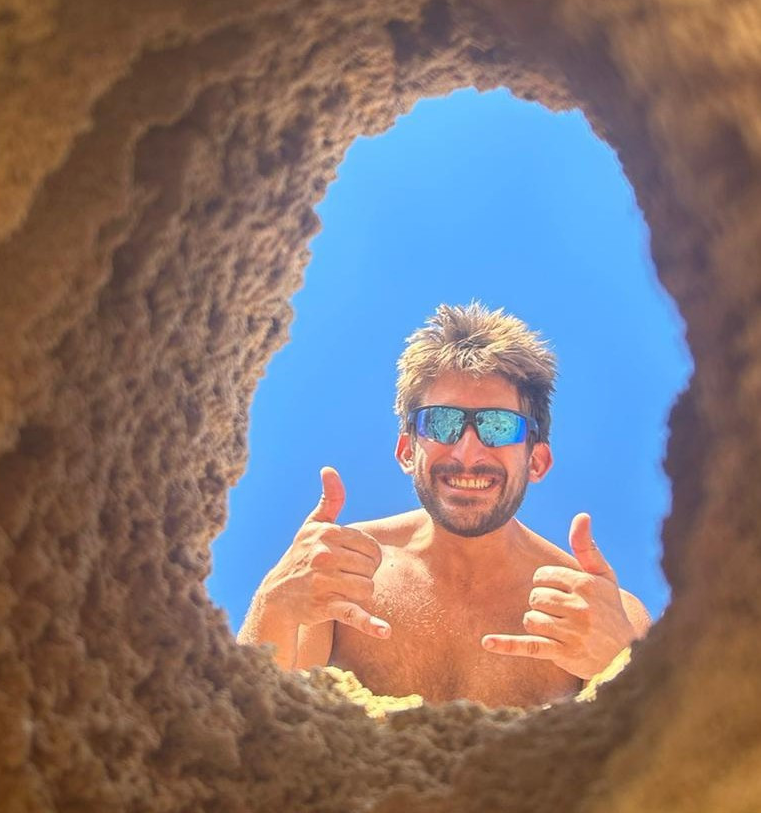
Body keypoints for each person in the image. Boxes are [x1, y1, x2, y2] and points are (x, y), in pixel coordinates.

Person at [238, 303, 651, 708]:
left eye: (498, 426)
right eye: (441, 422)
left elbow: (659, 749)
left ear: (536, 460)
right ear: (407, 451)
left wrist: (626, 669)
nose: (468, 451)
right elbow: (248, 730)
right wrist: (275, 603)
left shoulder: (598, 613)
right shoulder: (338, 576)